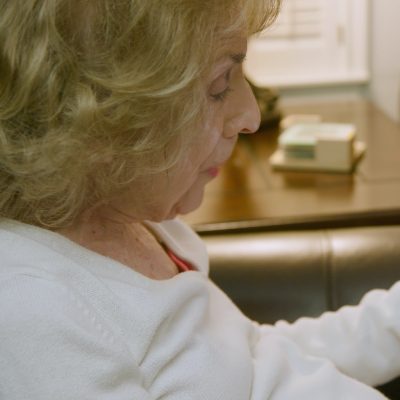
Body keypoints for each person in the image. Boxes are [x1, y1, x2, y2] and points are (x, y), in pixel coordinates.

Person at [0, 0, 399, 399]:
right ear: (95, 115)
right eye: (221, 85)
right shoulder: (35, 312)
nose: (251, 117)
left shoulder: (143, 223)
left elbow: (252, 356)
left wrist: (390, 321)